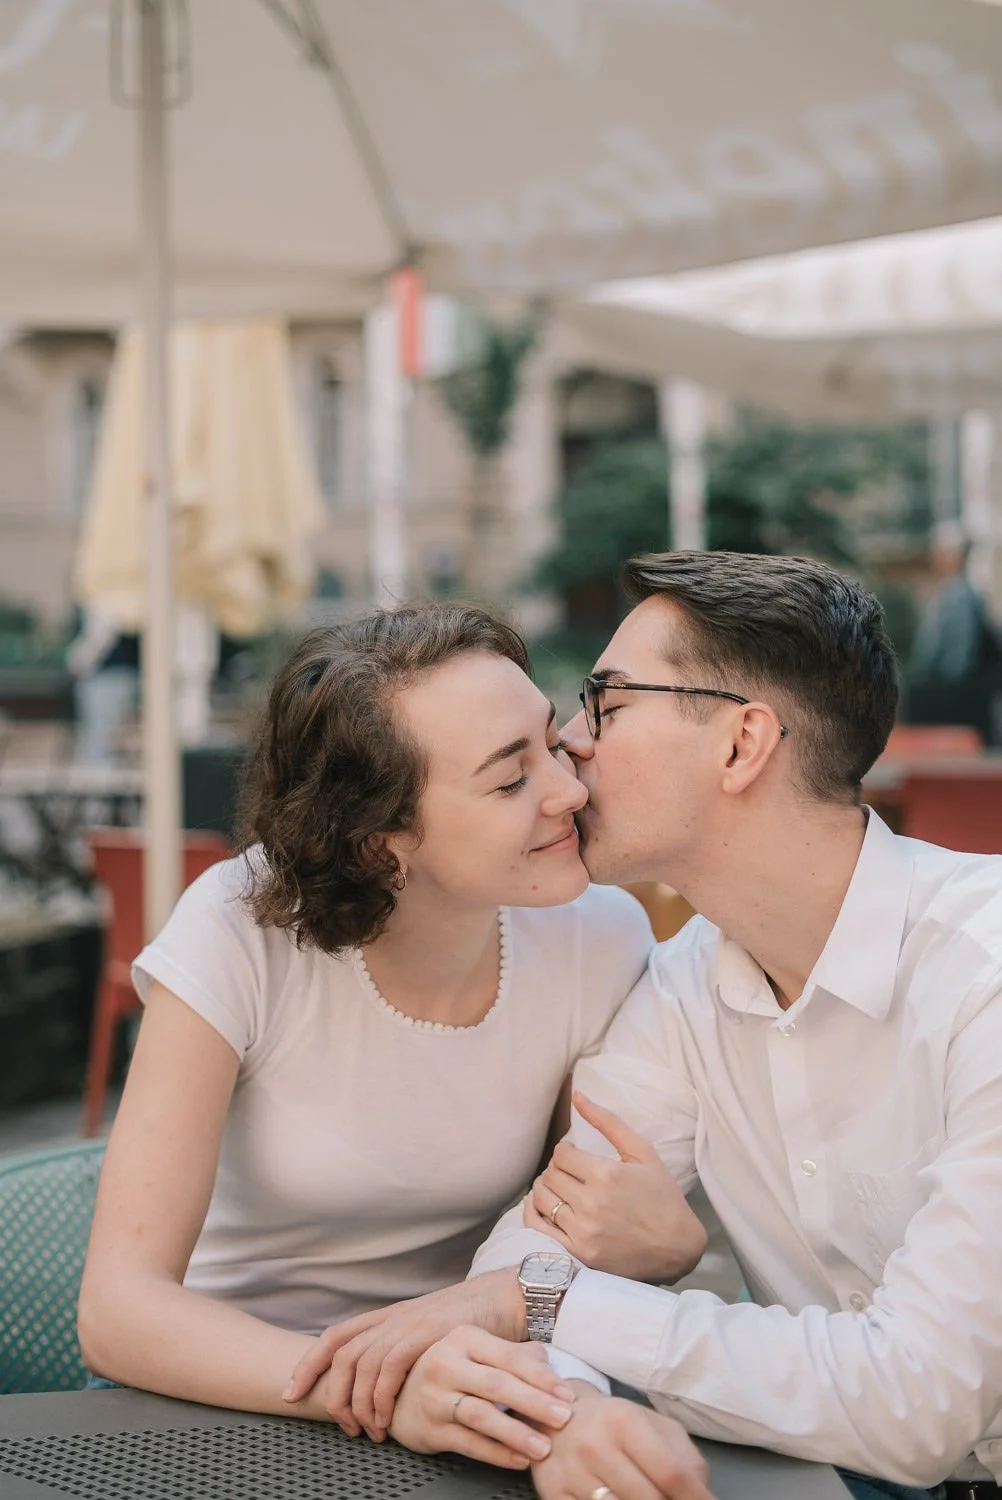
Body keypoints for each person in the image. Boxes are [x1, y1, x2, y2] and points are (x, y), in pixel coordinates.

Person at [289, 553, 1002, 1500]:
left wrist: (553, 1306)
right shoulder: (682, 987)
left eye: (608, 706)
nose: (571, 747)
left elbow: (918, 1405)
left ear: (741, 746)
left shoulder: (983, 974)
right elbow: (526, 1253)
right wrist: (571, 1411)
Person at [78, 599, 712, 1488]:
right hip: (228, 1393)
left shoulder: (598, 935)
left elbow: (569, 1246)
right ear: (381, 844)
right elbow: (119, 1310)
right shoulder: (236, 929)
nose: (570, 789)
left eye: (550, 740)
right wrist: (379, 1389)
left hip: (473, 1388)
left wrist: (634, 1272)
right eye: (507, 779)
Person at [905, 524, 1002, 744]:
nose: (934, 557)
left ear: (953, 555)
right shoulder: (953, 592)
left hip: (950, 702)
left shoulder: (960, 596)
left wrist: (945, 695)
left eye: (938, 551)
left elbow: (959, 657)